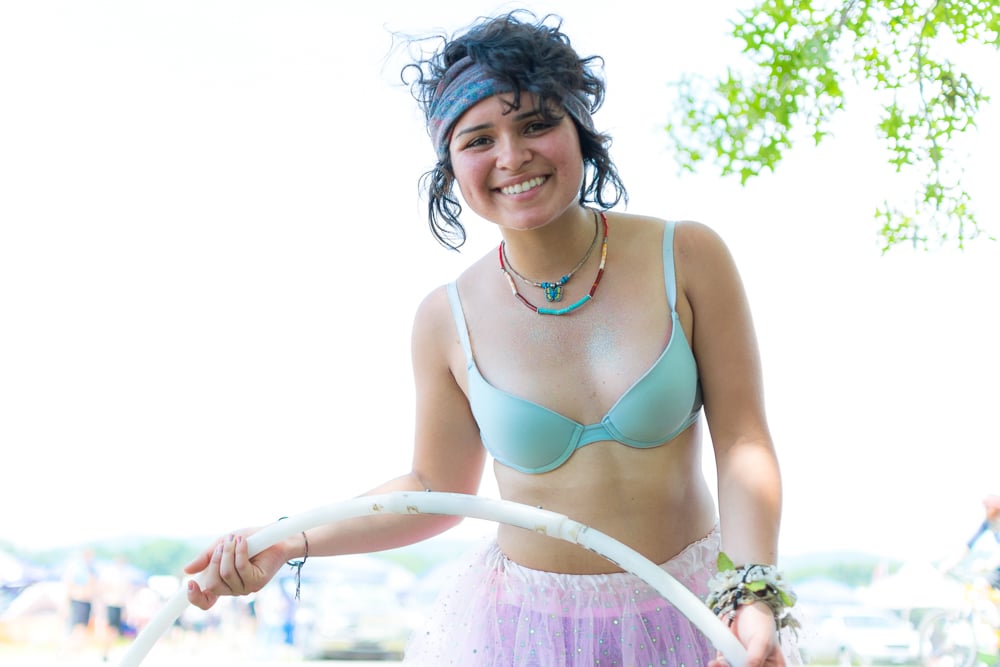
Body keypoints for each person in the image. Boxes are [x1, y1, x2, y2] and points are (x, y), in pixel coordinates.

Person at [184, 11, 798, 666]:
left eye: (536, 124)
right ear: (450, 165)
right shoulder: (444, 319)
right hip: (527, 635)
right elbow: (432, 487)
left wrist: (751, 593)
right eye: (479, 139)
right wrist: (286, 539)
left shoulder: (689, 256)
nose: (512, 156)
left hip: (694, 614)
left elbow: (743, 442)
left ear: (579, 129)